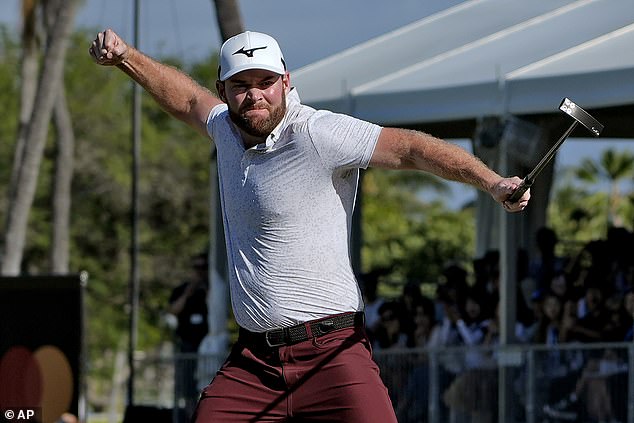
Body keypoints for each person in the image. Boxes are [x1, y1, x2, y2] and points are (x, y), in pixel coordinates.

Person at [90, 29, 530, 423]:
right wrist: (127, 56)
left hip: (333, 356)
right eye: (241, 85)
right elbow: (186, 98)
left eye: (265, 82)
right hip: (253, 364)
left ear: (287, 81)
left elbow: (411, 149)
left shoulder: (319, 134)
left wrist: (493, 182)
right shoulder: (224, 128)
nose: (255, 95)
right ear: (223, 89)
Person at [168, 252, 209, 417]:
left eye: (203, 267)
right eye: (197, 267)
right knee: (187, 388)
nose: (200, 271)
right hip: (187, 345)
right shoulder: (182, 290)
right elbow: (172, 310)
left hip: (206, 346)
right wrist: (188, 293)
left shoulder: (212, 289)